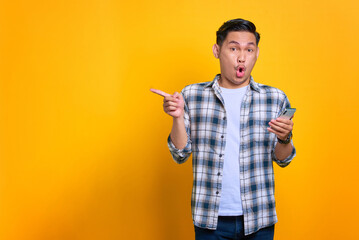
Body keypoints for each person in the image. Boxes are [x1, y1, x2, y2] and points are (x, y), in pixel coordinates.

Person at [150, 18, 296, 240]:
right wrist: (178, 118)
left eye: (249, 49)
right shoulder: (192, 95)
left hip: (259, 218)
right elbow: (180, 154)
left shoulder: (274, 98)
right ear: (217, 50)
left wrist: (284, 139)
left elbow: (283, 160)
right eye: (234, 48)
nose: (241, 56)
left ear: (256, 53)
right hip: (210, 219)